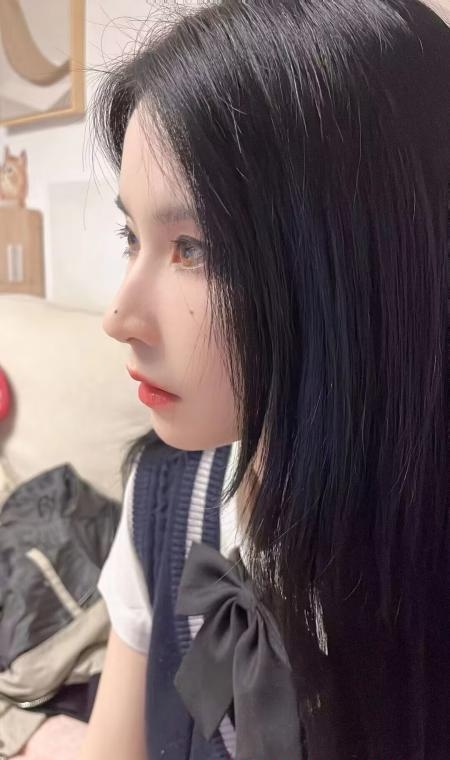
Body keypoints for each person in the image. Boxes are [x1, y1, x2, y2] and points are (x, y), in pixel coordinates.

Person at [79, 1, 450, 759]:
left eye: (194, 247)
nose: (119, 316)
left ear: (363, 265)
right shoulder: (161, 493)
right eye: (131, 235)